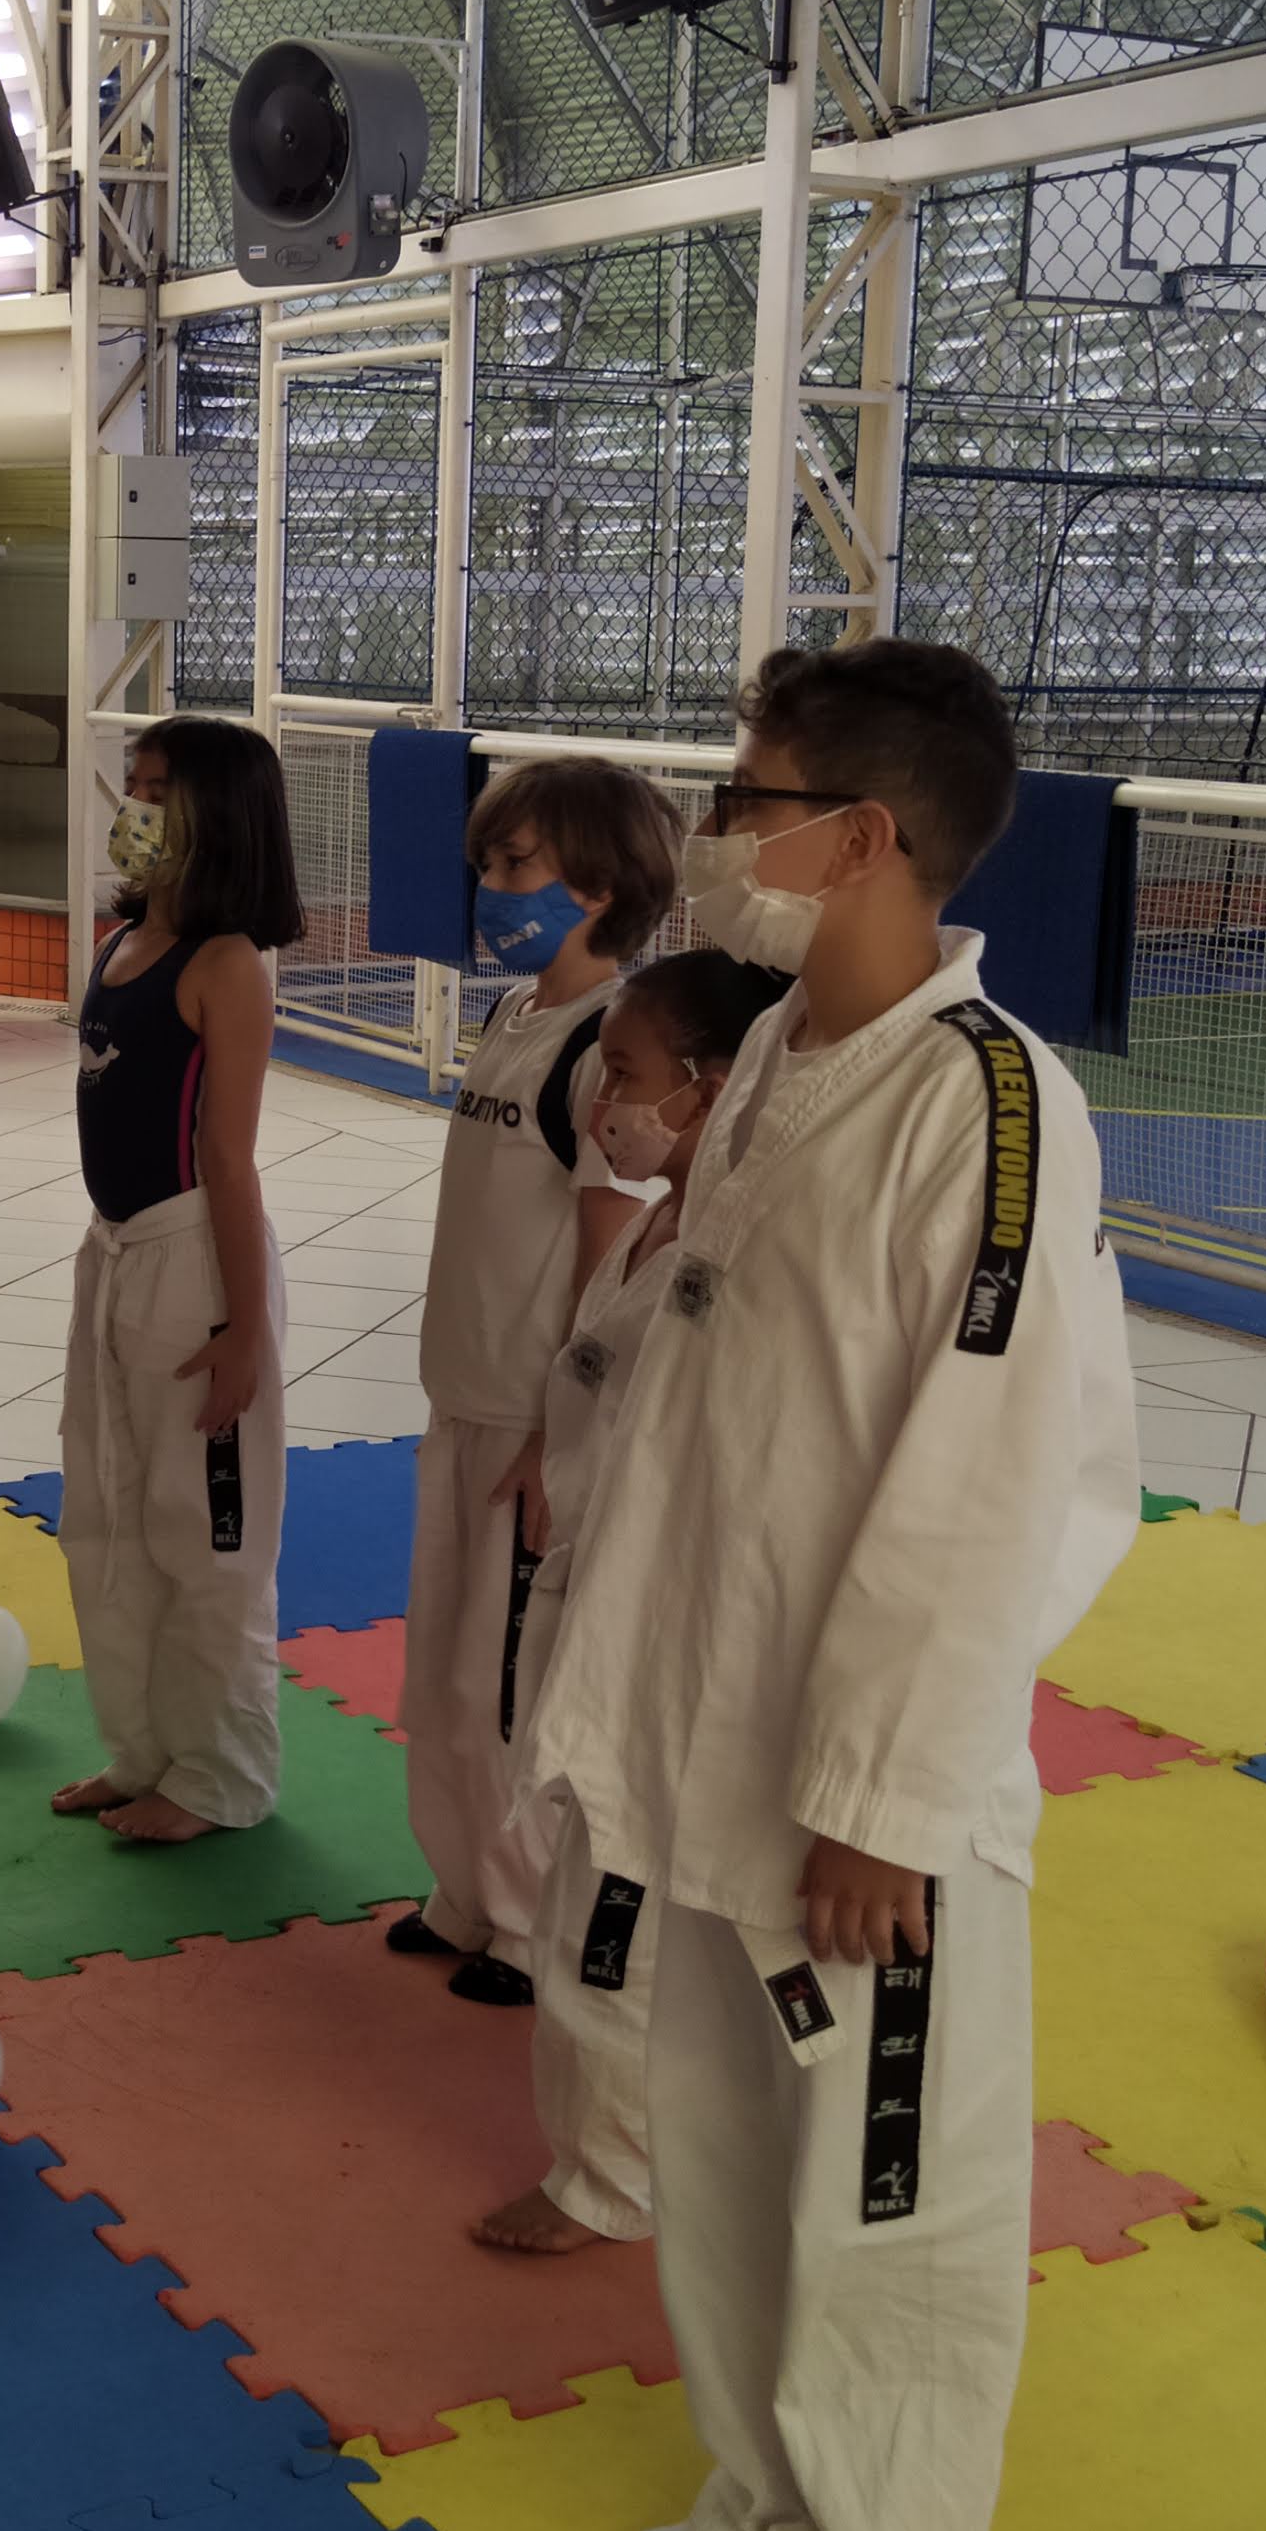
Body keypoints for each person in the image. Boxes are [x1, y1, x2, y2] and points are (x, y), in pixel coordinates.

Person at [527, 640, 1140, 2531]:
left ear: (860, 837)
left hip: (872, 1784)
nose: (716, 830)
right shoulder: (782, 1053)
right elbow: (709, 1395)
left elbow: (992, 1476)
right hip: (711, 1714)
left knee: (887, 2195)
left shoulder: (988, 1107)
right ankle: (763, 2493)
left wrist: (886, 1796)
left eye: (748, 795)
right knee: (722, 2146)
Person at [468, 946, 788, 2257]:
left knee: (617, 1903)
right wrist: (553, 1466)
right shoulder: (655, 1221)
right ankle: (641, 2149)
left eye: (629, 1076)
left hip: (669, 1623)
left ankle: (607, 2181)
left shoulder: (737, 1251)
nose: (605, 1103)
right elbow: (596, 1383)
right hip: (597, 1584)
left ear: (710, 1088)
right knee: (591, 1880)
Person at [389, 758, 676, 2004]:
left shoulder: (605, 1046)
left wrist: (565, 1436)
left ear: (598, 889)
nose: (491, 889)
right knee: (437, 1677)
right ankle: (461, 1888)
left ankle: (524, 1921)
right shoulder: (511, 1016)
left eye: (516, 866)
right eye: (488, 864)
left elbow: (607, 1261)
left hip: (526, 1422)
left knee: (503, 1690)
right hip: (459, 1398)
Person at [51, 716, 309, 1844]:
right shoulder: (120, 943)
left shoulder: (227, 965)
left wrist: (245, 1327)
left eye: (161, 790)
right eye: (137, 784)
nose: (138, 808)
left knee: (207, 1540)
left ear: (221, 817)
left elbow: (228, 1160)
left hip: (194, 1262)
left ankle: (221, 1778)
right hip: (112, 1254)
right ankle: (144, 1750)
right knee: (108, 1516)